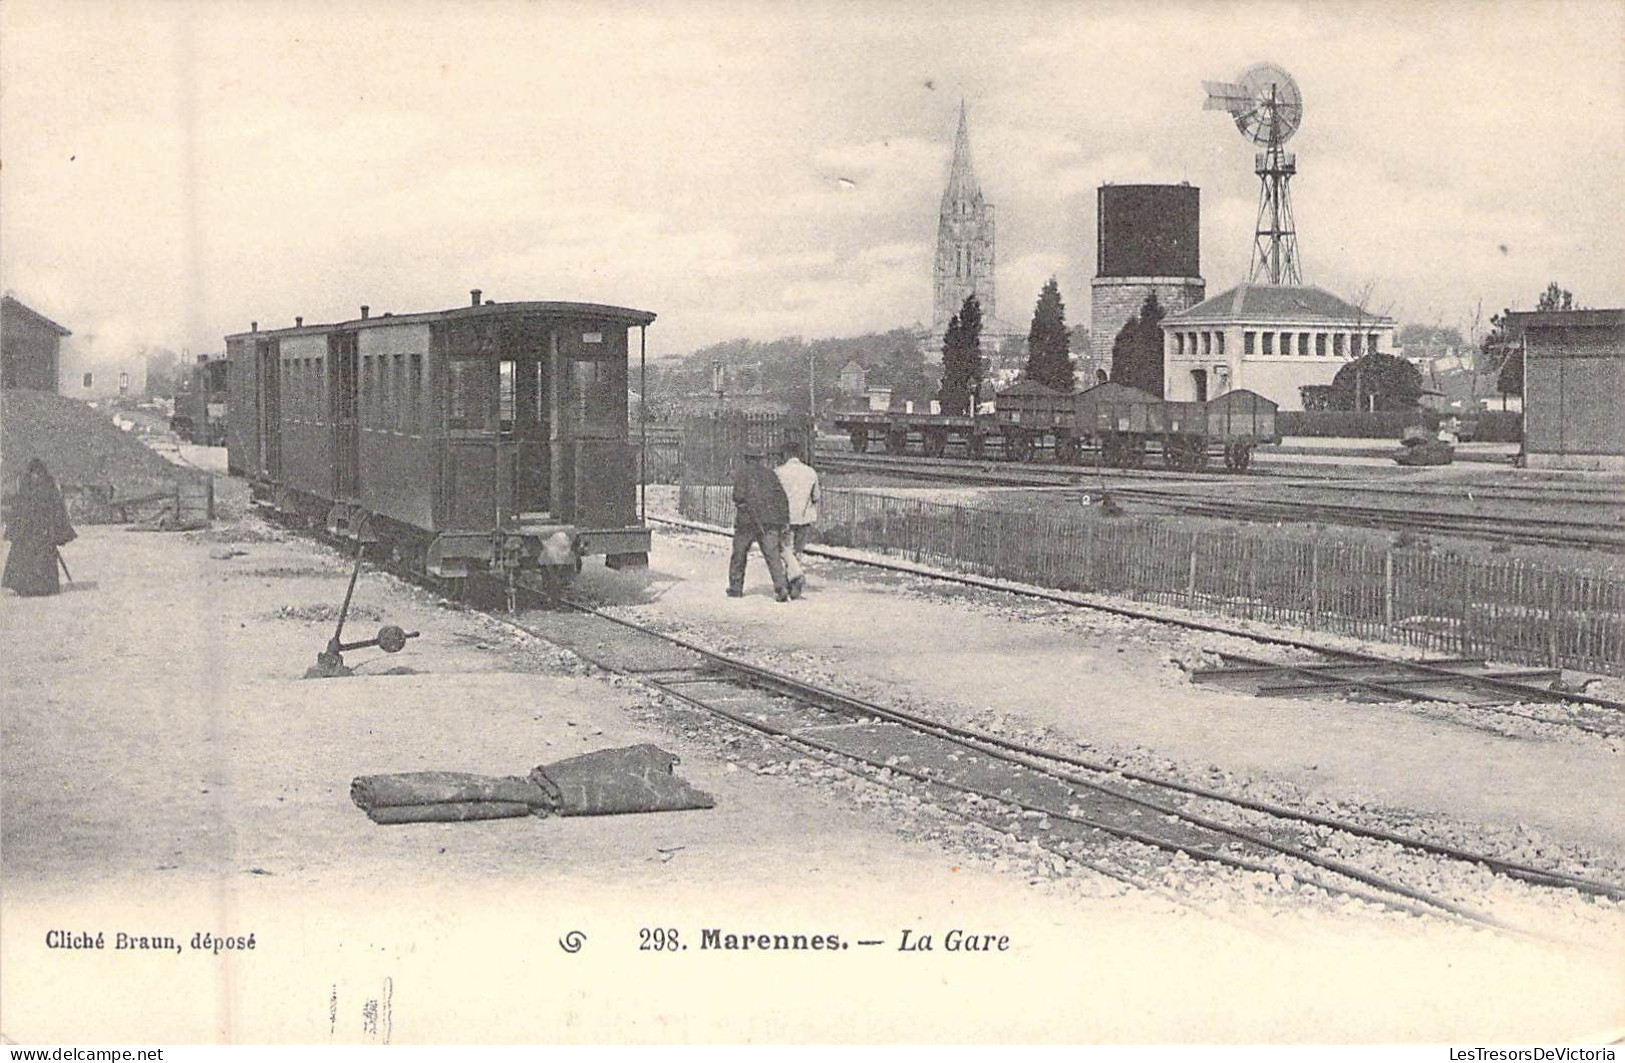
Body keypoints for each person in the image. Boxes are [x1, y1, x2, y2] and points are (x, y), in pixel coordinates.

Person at [2, 458, 77, 598]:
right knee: (26, 559)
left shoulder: (46, 487)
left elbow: (56, 509)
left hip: (42, 532)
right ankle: (25, 587)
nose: (36, 476)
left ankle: (43, 587)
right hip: (29, 533)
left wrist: (55, 530)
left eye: (37, 473)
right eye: (33, 473)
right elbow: (19, 509)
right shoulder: (28, 487)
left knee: (41, 559)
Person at [728, 446, 791, 602]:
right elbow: (782, 498)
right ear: (760, 459)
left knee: (739, 554)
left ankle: (736, 588)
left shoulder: (742, 473)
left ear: (747, 458)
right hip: (770, 522)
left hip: (747, 522)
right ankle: (781, 587)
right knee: (773, 555)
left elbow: (738, 496)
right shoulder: (771, 474)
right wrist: (783, 521)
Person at [774, 440, 819, 599]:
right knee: (798, 551)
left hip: (785, 517)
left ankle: (795, 576)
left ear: (785, 454)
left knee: (784, 548)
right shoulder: (811, 472)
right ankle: (793, 583)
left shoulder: (778, 472)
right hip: (805, 517)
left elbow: (775, 496)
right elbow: (816, 497)